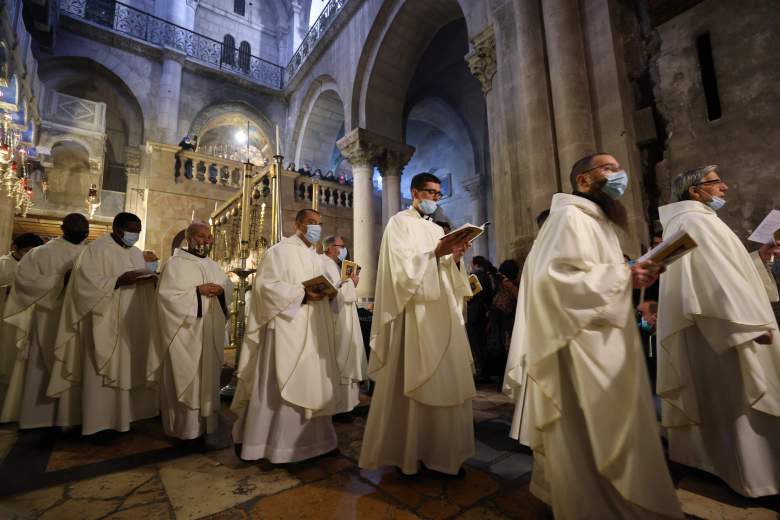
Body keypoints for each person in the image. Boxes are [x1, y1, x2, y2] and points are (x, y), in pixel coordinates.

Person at [504, 153, 683, 519]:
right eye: (609, 168)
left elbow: (595, 274)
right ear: (584, 181)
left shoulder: (597, 221)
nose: (620, 175)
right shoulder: (568, 217)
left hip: (606, 338)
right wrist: (622, 277)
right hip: (582, 347)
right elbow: (550, 280)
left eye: (618, 167)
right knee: (592, 434)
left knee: (613, 431)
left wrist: (632, 274)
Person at [657, 165, 780, 497]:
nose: (724, 187)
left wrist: (758, 258)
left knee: (726, 401)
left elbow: (725, 270)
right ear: (695, 191)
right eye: (715, 183)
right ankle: (754, 477)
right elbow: (713, 278)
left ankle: (726, 466)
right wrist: (745, 326)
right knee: (740, 400)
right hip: (723, 327)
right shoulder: (694, 222)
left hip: (717, 326)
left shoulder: (695, 221)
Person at [359, 172, 475, 476]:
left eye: (438, 194)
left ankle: (444, 454)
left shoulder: (436, 228)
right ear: (415, 192)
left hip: (444, 314)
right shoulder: (399, 223)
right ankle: (410, 455)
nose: (434, 198)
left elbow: (446, 272)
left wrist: (457, 258)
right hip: (416, 318)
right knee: (413, 385)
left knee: (448, 382)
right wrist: (437, 253)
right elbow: (400, 271)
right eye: (430, 192)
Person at [232, 209, 340, 463]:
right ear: (298, 224)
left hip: (314, 329)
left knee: (312, 381)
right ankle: (270, 447)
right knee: (277, 384)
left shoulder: (318, 258)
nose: (316, 228)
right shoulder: (278, 252)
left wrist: (332, 293)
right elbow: (265, 287)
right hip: (285, 328)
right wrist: (302, 294)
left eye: (319, 224)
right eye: (311, 223)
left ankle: (316, 443)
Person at [49, 212, 159, 438]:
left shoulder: (137, 253)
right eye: (131, 230)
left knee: (128, 366)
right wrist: (117, 280)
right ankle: (98, 424)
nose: (135, 235)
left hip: (130, 319)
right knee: (101, 370)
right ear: (117, 228)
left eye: (138, 231)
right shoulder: (96, 250)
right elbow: (83, 284)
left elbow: (139, 279)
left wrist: (152, 280)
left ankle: (126, 417)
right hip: (103, 319)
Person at [1, 216, 88, 428]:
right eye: (76, 229)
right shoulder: (41, 253)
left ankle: (71, 417)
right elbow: (25, 282)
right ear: (63, 229)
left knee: (73, 364)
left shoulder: (91, 254)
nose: (81, 233)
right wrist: (61, 281)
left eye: (83, 229)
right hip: (48, 318)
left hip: (79, 319)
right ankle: (38, 418)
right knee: (43, 366)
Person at [148, 222, 232, 441]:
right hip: (184, 335)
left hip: (208, 333)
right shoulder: (174, 264)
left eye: (209, 237)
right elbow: (166, 299)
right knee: (186, 380)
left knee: (207, 380)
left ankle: (206, 427)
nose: (207, 241)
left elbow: (228, 294)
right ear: (190, 238)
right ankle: (183, 431)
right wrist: (197, 292)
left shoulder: (214, 266)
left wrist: (222, 291)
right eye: (202, 236)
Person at [0, 233, 45, 422]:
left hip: (24, 320)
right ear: (14, 248)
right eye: (27, 251)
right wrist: (8, 289)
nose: (30, 255)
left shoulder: (36, 266)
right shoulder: (3, 263)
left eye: (34, 252)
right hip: (4, 318)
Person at [320, 235, 367, 418]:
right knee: (340, 358)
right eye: (341, 246)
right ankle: (339, 407)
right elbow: (330, 292)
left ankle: (349, 404)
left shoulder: (334, 265)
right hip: (336, 317)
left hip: (346, 315)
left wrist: (348, 284)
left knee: (349, 355)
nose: (344, 249)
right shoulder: (323, 263)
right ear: (331, 247)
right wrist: (350, 284)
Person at [484, 259, 520, 390]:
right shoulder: (502, 286)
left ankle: (506, 381)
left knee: (505, 351)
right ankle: (501, 380)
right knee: (499, 352)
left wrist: (510, 287)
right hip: (499, 324)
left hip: (507, 325)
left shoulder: (512, 286)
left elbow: (517, 301)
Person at [467, 256, 495, 381]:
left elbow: (469, 294)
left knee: (476, 344)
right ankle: (487, 372)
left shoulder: (474, 276)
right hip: (484, 313)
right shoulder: (487, 276)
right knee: (483, 342)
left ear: (474, 263)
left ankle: (481, 373)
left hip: (473, 313)